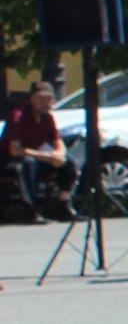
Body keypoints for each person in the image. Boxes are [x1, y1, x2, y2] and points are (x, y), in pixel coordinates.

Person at [6, 78, 70, 221]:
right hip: (13, 159)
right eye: (41, 99)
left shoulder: (48, 118)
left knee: (68, 163)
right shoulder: (18, 116)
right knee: (29, 164)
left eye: (49, 99)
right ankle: (31, 209)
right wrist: (47, 157)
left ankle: (63, 204)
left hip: (39, 156)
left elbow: (57, 140)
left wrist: (59, 154)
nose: (45, 103)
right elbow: (15, 150)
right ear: (32, 99)